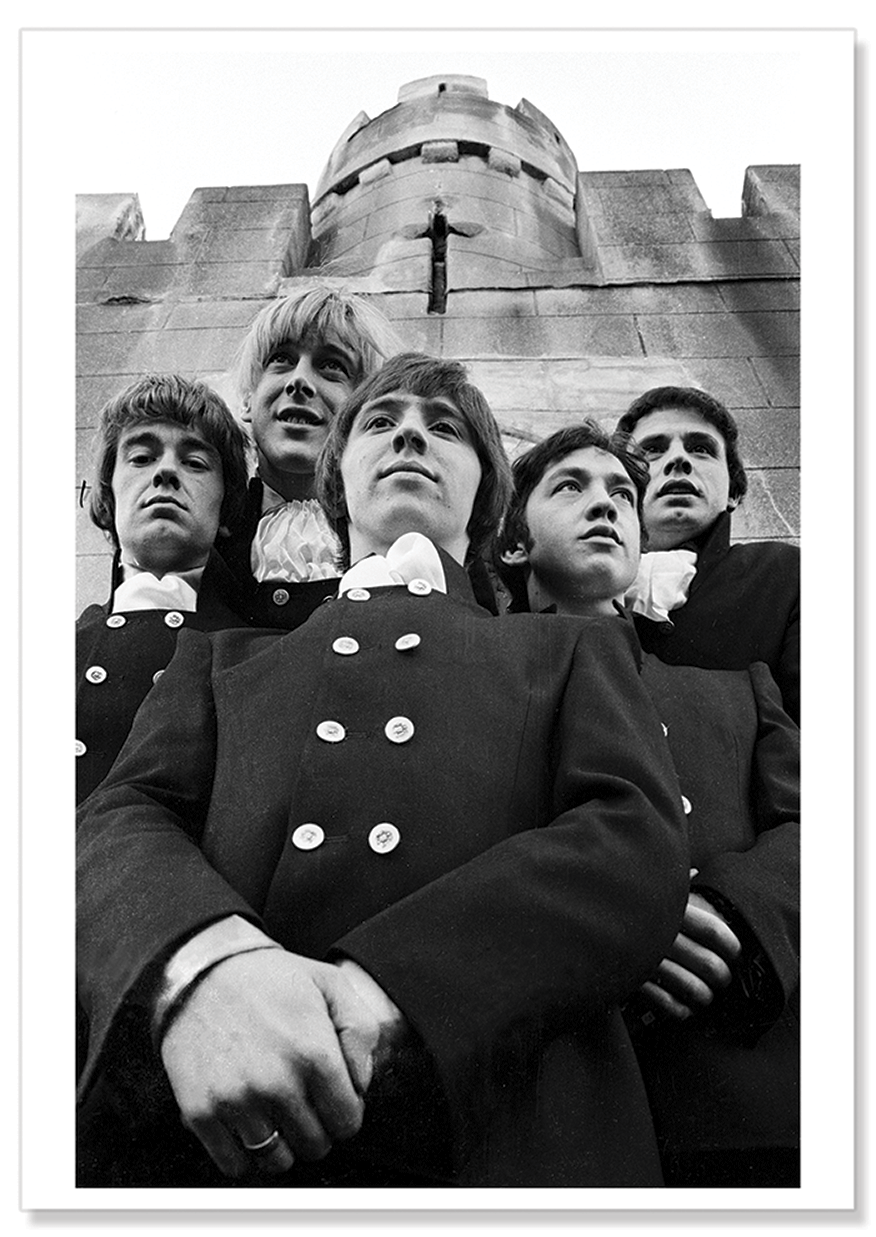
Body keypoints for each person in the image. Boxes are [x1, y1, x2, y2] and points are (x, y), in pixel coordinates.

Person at [77, 356, 690, 1189]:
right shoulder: (221, 657)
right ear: (337, 484)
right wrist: (204, 967)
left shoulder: (571, 647)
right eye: (379, 422)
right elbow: (122, 817)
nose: (409, 433)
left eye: (445, 428)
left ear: (489, 504)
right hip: (218, 1142)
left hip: (515, 1142)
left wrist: (380, 992)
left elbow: (633, 839)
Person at [496, 421, 800, 1187]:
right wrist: (622, 922)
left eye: (622, 495)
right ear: (511, 544)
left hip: (744, 1106)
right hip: (540, 1119)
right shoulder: (460, 687)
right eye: (570, 486)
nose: (605, 505)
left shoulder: (736, 693)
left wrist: (737, 911)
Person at [76, 374, 250, 805]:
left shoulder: (255, 657)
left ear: (226, 507)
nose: (166, 471)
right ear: (107, 497)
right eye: (141, 457)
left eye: (195, 463)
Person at [217, 286, 405, 629]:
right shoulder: (209, 525)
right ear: (247, 400)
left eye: (332, 366)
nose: (299, 381)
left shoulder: (402, 534)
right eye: (281, 360)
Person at [615, 387, 800, 724]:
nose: (678, 459)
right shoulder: (570, 581)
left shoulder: (788, 577)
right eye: (653, 450)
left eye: (701, 449)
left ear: (732, 491)